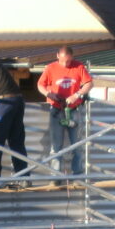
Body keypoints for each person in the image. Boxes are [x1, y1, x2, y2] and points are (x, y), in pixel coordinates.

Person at [37, 45, 93, 178]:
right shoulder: (50, 68)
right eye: (62, 61)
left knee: (77, 144)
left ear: (72, 57)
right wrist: (49, 94)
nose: (65, 64)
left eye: (67, 61)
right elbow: (40, 85)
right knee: (56, 145)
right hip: (56, 109)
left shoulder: (79, 67)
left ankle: (77, 174)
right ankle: (56, 176)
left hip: (74, 109)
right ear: (57, 56)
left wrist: (77, 95)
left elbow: (89, 83)